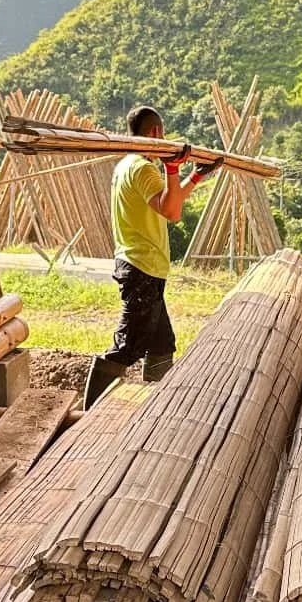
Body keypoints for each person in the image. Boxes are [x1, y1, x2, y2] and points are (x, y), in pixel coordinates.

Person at [83, 105, 213, 407]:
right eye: (162, 132)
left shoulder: (128, 164)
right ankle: (88, 413)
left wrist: (193, 178)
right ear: (155, 133)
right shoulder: (142, 168)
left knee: (161, 343)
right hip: (141, 267)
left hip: (144, 267)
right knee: (126, 347)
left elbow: (167, 203)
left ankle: (155, 407)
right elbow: (172, 212)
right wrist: (171, 169)